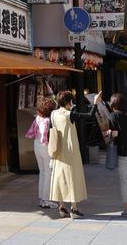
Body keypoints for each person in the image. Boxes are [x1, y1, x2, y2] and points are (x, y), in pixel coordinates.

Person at [102, 93, 127, 218]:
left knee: (124, 181)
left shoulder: (113, 116)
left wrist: (108, 133)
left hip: (123, 152)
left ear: (113, 103)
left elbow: (114, 134)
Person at [49, 91, 88, 219]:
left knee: (60, 178)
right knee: (72, 177)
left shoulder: (53, 114)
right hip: (70, 151)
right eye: (71, 101)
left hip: (58, 151)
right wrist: (96, 103)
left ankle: (62, 208)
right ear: (68, 102)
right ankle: (74, 208)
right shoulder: (70, 115)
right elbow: (90, 116)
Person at [26, 96, 56, 209]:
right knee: (48, 173)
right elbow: (45, 134)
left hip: (36, 144)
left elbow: (31, 132)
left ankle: (42, 199)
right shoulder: (48, 121)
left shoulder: (38, 118)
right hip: (45, 146)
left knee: (42, 172)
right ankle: (46, 200)